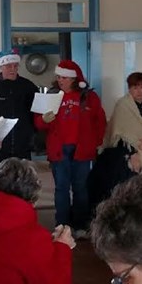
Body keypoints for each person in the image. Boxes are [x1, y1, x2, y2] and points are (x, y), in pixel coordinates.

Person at [34, 60, 106, 235]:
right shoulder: (50, 95)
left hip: (82, 150)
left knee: (81, 187)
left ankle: (81, 225)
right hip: (59, 150)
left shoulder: (89, 97)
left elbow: (100, 121)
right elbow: (38, 123)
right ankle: (62, 225)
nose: (60, 80)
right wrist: (44, 120)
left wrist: (95, 142)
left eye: (64, 78)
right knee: (61, 188)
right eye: (58, 77)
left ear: (74, 79)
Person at [0, 50, 39, 160]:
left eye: (15, 66)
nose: (12, 69)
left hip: (22, 143)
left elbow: (36, 112)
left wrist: (31, 133)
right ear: (1, 67)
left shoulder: (28, 86)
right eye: (8, 66)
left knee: (22, 174)